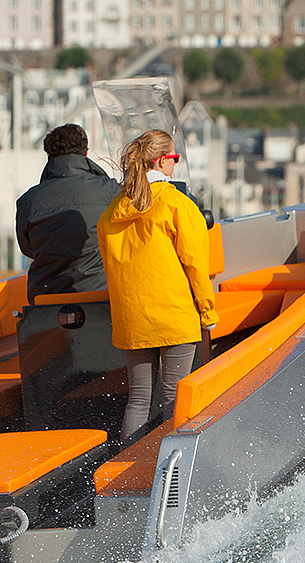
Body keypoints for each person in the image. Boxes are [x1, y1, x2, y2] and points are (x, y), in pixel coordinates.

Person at [97, 130, 218, 444]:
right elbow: (195, 264)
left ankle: (128, 470)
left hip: (133, 320)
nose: (175, 164)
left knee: (138, 400)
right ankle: (170, 476)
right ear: (162, 160)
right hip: (173, 316)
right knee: (173, 400)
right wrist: (207, 312)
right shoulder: (177, 204)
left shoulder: (111, 214)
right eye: (175, 159)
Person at [15, 124, 118, 303]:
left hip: (45, 300)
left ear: (50, 157)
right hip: (99, 298)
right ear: (86, 154)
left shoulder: (28, 201)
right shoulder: (110, 191)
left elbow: (28, 249)